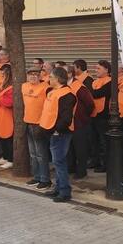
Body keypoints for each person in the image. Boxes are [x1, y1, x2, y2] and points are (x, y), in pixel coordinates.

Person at [40, 67, 77, 203]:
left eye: (51, 77)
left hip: (60, 133)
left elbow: (66, 118)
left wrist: (56, 130)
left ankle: (64, 192)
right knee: (57, 162)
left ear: (57, 79)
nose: (48, 79)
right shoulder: (54, 92)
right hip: (54, 132)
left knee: (59, 162)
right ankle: (58, 188)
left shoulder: (67, 94)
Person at [22, 67, 51, 188]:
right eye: (30, 74)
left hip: (39, 124)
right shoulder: (24, 86)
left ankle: (45, 179)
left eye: (35, 74)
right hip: (28, 122)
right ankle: (36, 177)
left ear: (40, 76)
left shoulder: (46, 87)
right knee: (33, 154)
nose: (33, 76)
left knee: (41, 154)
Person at [66, 66, 94, 180]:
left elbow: (90, 103)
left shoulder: (79, 87)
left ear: (70, 74)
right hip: (68, 122)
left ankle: (81, 171)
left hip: (79, 122)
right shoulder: (64, 86)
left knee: (80, 148)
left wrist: (82, 116)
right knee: (70, 147)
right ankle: (71, 167)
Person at [90, 60, 112, 173]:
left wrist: (92, 93)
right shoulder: (95, 81)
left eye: (98, 68)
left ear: (106, 69)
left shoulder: (110, 82)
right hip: (94, 114)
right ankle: (95, 161)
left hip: (103, 115)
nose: (96, 70)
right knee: (94, 140)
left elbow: (96, 93)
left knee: (104, 141)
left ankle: (105, 164)